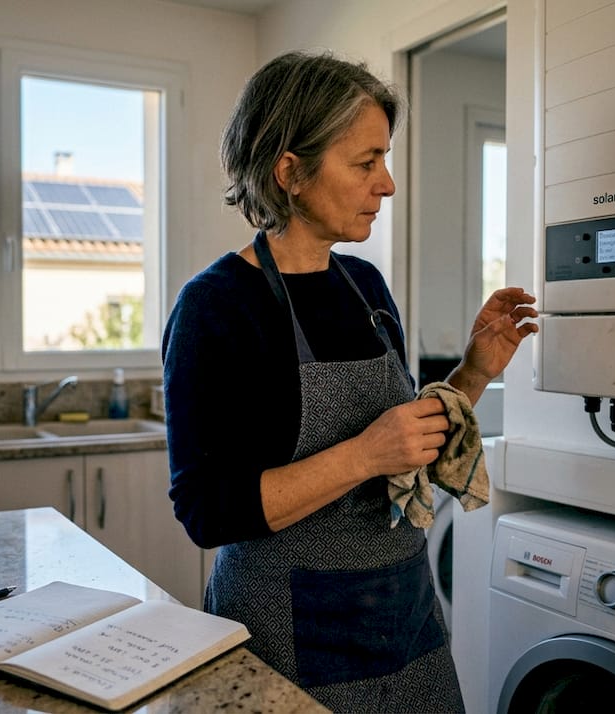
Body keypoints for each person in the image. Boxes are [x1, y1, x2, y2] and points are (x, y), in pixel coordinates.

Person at [162, 50, 538, 712]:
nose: (387, 184)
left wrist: (474, 373)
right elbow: (206, 511)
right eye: (366, 163)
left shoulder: (363, 286)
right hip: (284, 635)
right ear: (291, 172)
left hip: (405, 620)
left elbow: (407, 440)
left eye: (383, 160)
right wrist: (363, 454)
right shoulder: (216, 308)